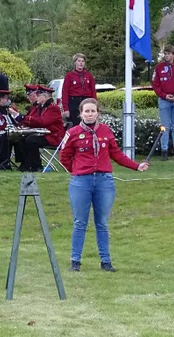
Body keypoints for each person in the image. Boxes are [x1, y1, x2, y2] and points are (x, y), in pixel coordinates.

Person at [60, 98, 149, 272]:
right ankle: (75, 261)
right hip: (81, 182)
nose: (90, 114)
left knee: (102, 222)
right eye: (87, 111)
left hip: (104, 181)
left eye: (93, 111)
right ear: (81, 113)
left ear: (98, 113)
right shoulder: (72, 133)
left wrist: (136, 166)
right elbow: (64, 157)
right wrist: (77, 171)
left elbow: (116, 154)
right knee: (80, 222)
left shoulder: (106, 131)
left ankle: (106, 261)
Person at [15, 85, 65, 172]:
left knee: (31, 140)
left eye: (38, 95)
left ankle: (36, 165)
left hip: (54, 136)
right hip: (47, 133)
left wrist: (22, 118)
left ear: (45, 97)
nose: (36, 97)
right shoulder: (43, 106)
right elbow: (37, 122)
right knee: (22, 138)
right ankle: (26, 164)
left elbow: (43, 122)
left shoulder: (52, 107)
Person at [151, 44, 174, 160]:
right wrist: (164, 95)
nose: (166, 56)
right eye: (165, 53)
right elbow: (155, 84)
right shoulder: (159, 67)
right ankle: (164, 151)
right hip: (164, 100)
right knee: (165, 126)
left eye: (169, 53)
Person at [61, 53, 97, 126]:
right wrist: (66, 109)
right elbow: (65, 93)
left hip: (86, 101)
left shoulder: (89, 75)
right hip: (74, 102)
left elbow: (93, 91)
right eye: (79, 61)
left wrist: (95, 105)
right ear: (75, 62)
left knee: (88, 123)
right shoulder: (69, 75)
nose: (81, 63)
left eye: (82, 61)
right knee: (76, 124)